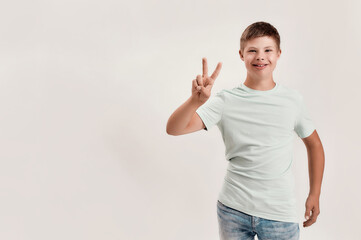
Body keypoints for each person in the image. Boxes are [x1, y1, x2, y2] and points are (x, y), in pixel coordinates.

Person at [166, 21, 325, 240]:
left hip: (279, 214)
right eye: (253, 50)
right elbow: (174, 129)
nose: (261, 56)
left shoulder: (292, 101)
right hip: (233, 210)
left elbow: (314, 144)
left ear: (278, 54)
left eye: (268, 50)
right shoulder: (225, 100)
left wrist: (314, 193)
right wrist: (195, 101)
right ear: (241, 55)